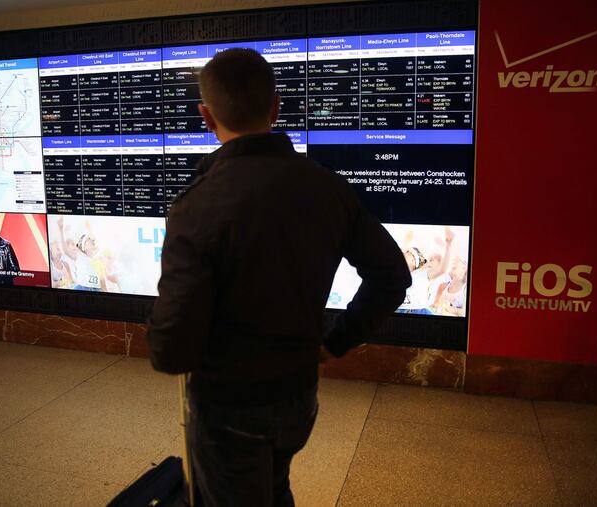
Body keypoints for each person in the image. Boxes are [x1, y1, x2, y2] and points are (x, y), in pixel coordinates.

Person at [146, 48, 411, 507]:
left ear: (206, 117)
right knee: (272, 486)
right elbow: (391, 277)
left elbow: (171, 348)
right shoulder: (326, 187)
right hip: (298, 400)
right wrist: (336, 341)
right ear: (276, 107)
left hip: (228, 406)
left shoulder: (197, 204)